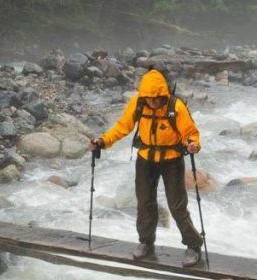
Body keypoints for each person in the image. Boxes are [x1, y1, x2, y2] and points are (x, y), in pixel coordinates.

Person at [87, 68, 203, 267]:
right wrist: (103, 141)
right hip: (145, 159)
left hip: (172, 159)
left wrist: (193, 144)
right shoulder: (138, 102)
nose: (153, 102)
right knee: (145, 203)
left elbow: (191, 132)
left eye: (156, 98)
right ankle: (146, 243)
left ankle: (193, 245)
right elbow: (123, 126)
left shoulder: (176, 106)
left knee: (177, 206)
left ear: (162, 94)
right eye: (149, 98)